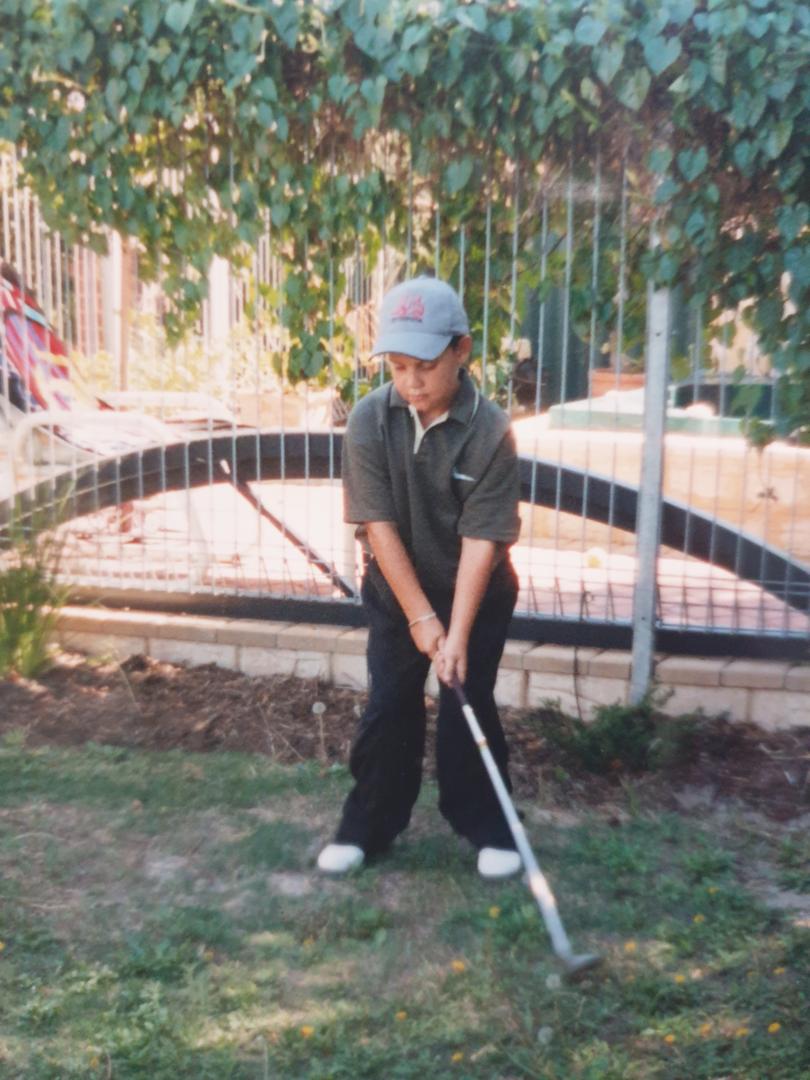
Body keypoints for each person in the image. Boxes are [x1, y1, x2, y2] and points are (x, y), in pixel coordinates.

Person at [317, 276, 522, 878]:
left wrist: (453, 634)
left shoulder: (492, 431)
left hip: (476, 593)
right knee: (389, 701)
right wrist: (420, 619)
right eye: (399, 366)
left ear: (462, 350)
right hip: (395, 586)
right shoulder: (368, 421)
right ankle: (368, 827)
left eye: (426, 366)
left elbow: (482, 543)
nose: (411, 382)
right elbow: (378, 527)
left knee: (467, 699)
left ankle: (489, 829)